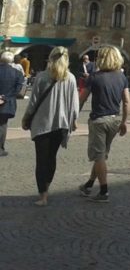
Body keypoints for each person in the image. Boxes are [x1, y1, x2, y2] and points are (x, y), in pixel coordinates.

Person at [21, 46, 80, 206]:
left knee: (41, 160)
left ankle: (43, 195)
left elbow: (33, 102)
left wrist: (26, 119)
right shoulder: (71, 78)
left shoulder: (42, 77)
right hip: (61, 125)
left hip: (42, 124)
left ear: (51, 58)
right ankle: (46, 188)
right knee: (51, 158)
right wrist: (74, 120)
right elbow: (75, 104)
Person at [78, 45, 130, 203]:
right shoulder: (122, 77)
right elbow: (126, 102)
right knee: (101, 155)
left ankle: (103, 191)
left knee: (99, 156)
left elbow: (82, 98)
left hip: (99, 120)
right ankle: (88, 185)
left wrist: (74, 115)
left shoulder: (94, 76)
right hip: (114, 120)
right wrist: (124, 122)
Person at [0, 50, 27, 156]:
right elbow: (18, 90)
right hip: (7, 102)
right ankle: (0, 148)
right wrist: (5, 97)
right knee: (2, 125)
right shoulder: (17, 73)